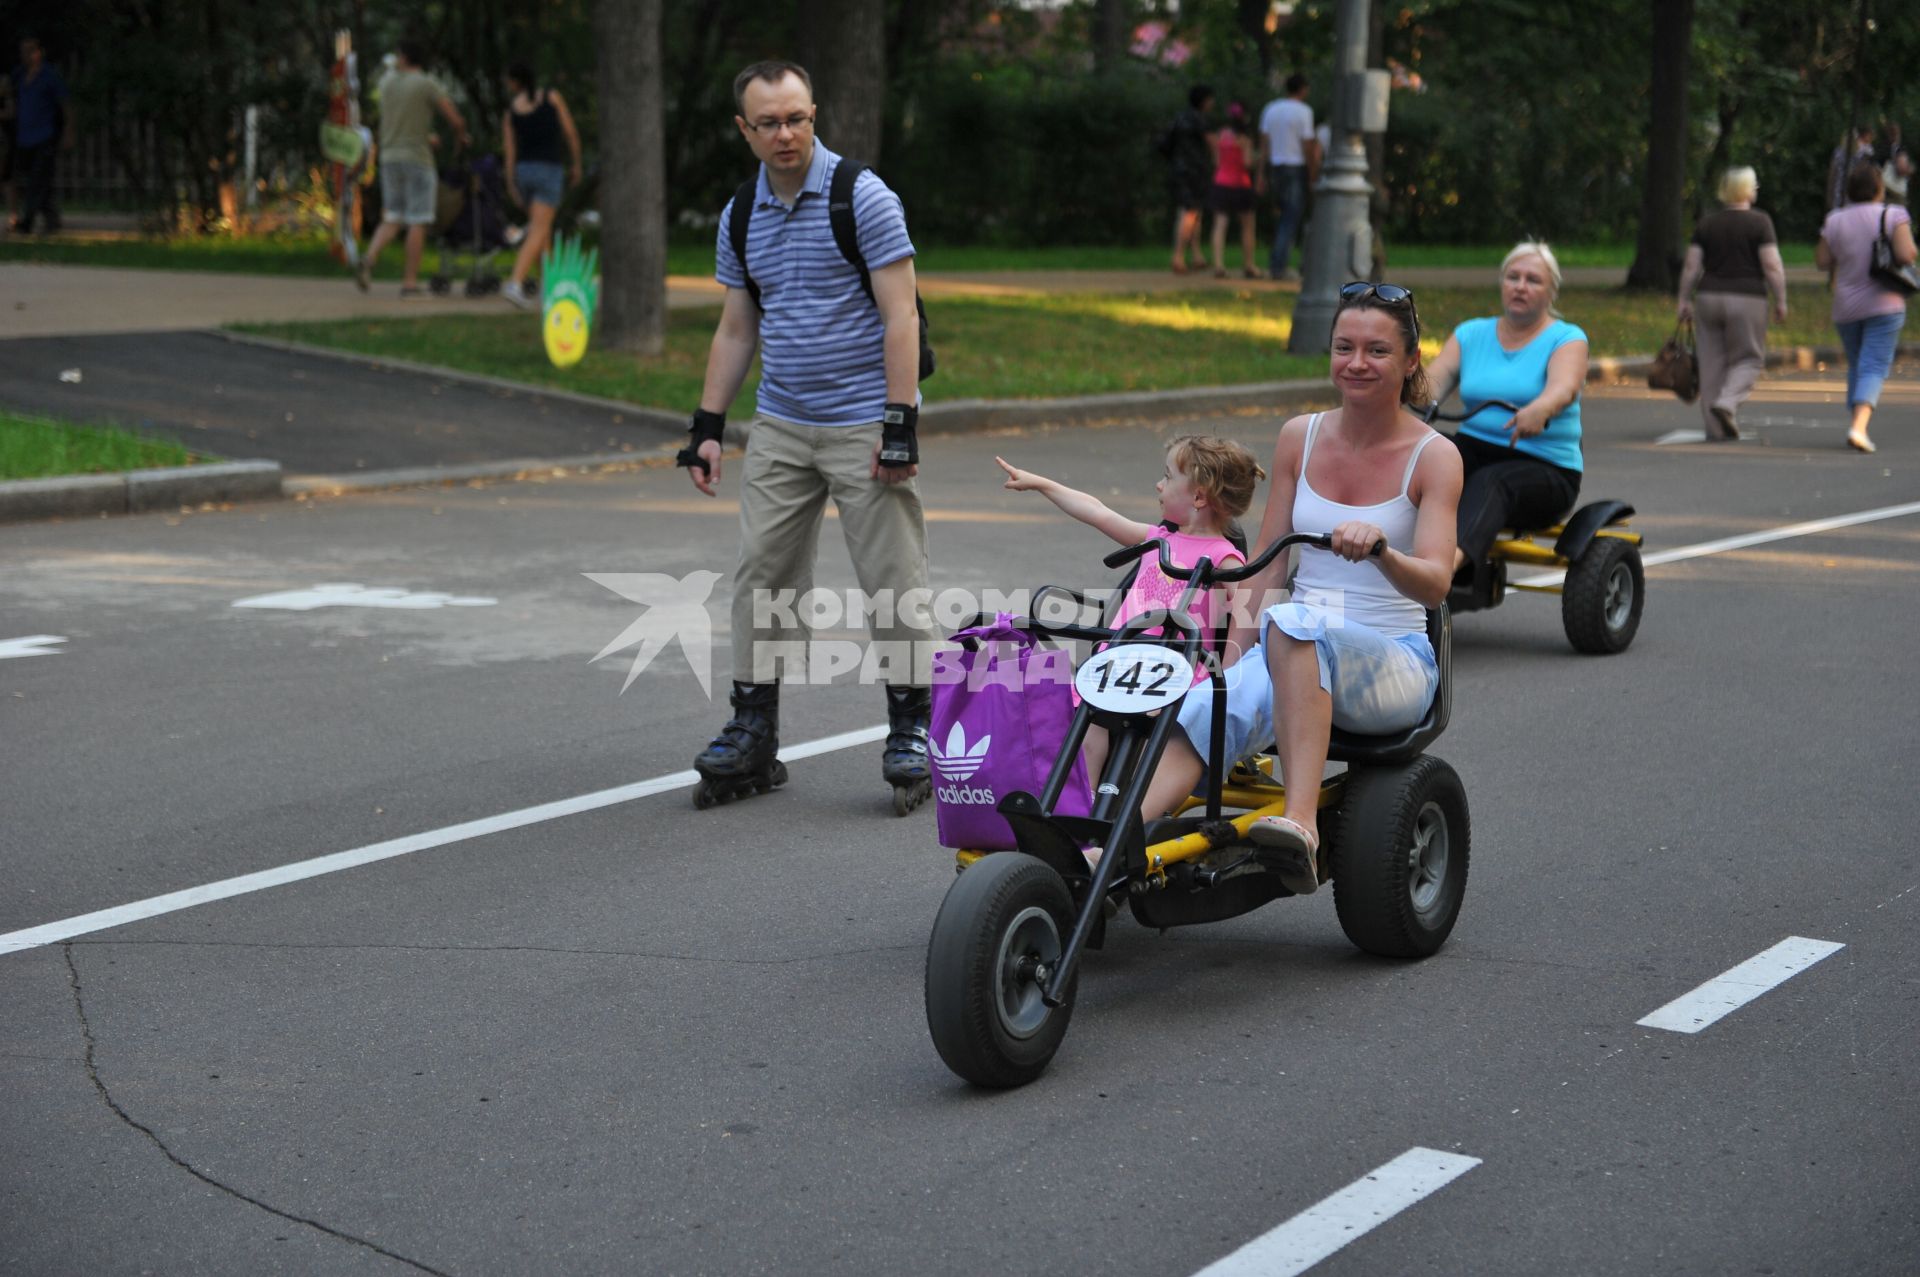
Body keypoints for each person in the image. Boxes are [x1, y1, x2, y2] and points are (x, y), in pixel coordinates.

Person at [1138, 285, 1462, 896]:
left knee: (1293, 623)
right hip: (1294, 649)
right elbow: (1264, 572)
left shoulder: (1436, 456)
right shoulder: (1300, 437)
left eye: (1376, 350)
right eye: (1344, 348)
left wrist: (1384, 551)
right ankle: (1111, 848)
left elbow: (1436, 585)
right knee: (1205, 707)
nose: (1357, 363)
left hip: (1393, 662)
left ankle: (1302, 824)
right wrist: (1228, 663)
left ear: (1411, 360)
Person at [678, 59, 936, 810]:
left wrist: (899, 424)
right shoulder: (740, 212)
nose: (785, 134)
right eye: (769, 122)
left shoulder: (864, 198)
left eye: (797, 118)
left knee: (893, 581)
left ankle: (911, 728)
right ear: (745, 129)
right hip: (784, 422)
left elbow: (902, 315)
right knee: (761, 577)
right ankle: (752, 729)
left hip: (865, 420)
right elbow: (736, 325)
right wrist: (708, 427)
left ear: (814, 113)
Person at [993, 435, 1266, 781]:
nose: (1158, 484)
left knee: (1139, 742)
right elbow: (1096, 512)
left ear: (1198, 497)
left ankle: (1127, 806)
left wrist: (1226, 674)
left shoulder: (1222, 556)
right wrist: (1041, 484)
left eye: (1167, 477)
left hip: (1174, 672)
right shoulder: (1158, 539)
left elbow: (1248, 610)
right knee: (1088, 731)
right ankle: (1083, 802)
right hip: (1121, 663)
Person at [1423, 242, 1589, 587]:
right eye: (1513, 277)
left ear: (1551, 292)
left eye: (1533, 280)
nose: (1520, 286)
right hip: (1474, 449)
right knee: (1421, 453)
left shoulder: (1567, 337)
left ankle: (1438, 576)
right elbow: (1430, 386)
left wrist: (1541, 409)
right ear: (1502, 283)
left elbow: (1565, 387)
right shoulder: (1471, 333)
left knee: (1492, 482)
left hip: (1545, 465)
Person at [1676, 167, 1788, 441]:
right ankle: (1727, 403)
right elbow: (1772, 265)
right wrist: (1781, 299)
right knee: (1748, 358)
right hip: (1747, 298)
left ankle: (1715, 430)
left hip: (1708, 298)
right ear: (1746, 190)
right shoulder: (1760, 223)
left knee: (1710, 362)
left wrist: (1683, 299)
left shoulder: (1707, 223)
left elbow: (1692, 265)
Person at [354, 40, 469, 298]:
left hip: (389, 158)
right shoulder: (426, 84)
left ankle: (370, 258)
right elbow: (454, 118)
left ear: (404, 57)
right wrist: (461, 135)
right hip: (417, 160)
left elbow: (399, 121)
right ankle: (409, 282)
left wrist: (426, 136)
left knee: (393, 217)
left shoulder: (386, 84)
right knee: (419, 219)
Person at [1815, 161, 1915, 454]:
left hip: (1846, 306)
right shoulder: (1893, 215)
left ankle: (1858, 421)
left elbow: (1822, 260)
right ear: (1879, 188)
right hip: (1885, 303)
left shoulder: (1835, 220)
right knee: (1873, 365)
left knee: (1859, 363)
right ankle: (1859, 426)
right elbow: (1906, 254)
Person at [498, 62, 582, 310]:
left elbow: (510, 153)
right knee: (539, 229)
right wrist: (576, 162)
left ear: (515, 82)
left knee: (542, 232)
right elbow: (570, 132)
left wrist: (511, 183)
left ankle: (549, 286)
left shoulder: (511, 112)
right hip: (549, 169)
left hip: (524, 172)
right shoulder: (552, 98)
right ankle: (515, 282)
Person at [1258, 73, 1319, 282]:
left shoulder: (1271, 109)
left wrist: (1260, 173)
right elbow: (1308, 145)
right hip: (1295, 167)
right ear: (1302, 89)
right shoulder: (1304, 112)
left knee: (1283, 215)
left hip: (1276, 166)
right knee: (1291, 217)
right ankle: (1279, 266)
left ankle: (1277, 261)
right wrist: (1313, 173)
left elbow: (1264, 144)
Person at [9, 35, 69, 235]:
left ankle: (28, 222)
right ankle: (52, 219)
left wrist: (69, 131)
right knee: (32, 181)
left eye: (30, 50)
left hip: (44, 136)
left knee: (38, 180)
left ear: (39, 52)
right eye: (23, 51)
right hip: (24, 138)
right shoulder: (20, 75)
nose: (26, 55)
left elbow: (66, 105)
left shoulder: (49, 76)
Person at [1165, 85, 1215, 274]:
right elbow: (1213, 144)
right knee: (1190, 211)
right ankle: (1178, 257)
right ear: (1204, 101)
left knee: (1194, 211)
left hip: (1179, 168)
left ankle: (1196, 255)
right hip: (1195, 171)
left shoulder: (1181, 117)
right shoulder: (1200, 120)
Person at [1207, 103, 1260, 279]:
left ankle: (1219, 265)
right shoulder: (1245, 139)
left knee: (1220, 225)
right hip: (1241, 184)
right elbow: (1247, 163)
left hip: (1221, 182)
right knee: (1247, 226)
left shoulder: (1219, 136)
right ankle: (1249, 264)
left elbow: (1216, 161)